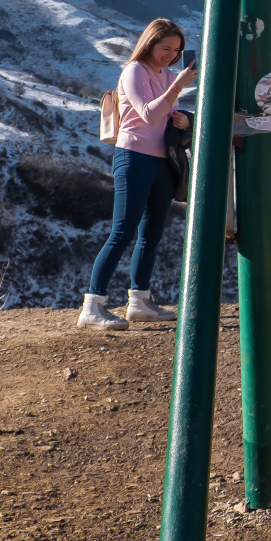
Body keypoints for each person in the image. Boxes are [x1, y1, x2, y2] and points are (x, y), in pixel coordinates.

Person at [78, 18, 197, 330]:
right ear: (150, 44)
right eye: (165, 48)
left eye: (176, 50)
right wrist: (178, 87)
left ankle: (140, 301)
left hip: (161, 161)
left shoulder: (167, 74)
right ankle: (93, 305)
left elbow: (164, 115)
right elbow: (148, 113)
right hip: (133, 157)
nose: (170, 55)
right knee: (122, 233)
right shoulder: (135, 71)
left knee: (151, 235)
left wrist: (183, 119)